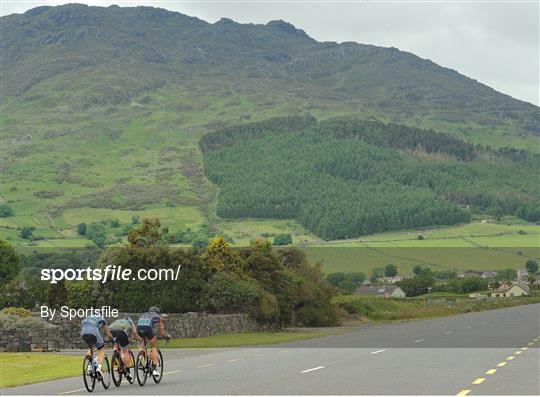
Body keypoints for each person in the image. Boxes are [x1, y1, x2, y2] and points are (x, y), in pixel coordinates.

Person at [137, 306, 168, 376]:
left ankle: (140, 361)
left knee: (143, 343)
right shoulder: (158, 316)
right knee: (154, 345)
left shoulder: (144, 314)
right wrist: (165, 336)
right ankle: (154, 369)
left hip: (139, 327)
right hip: (147, 327)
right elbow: (161, 330)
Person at [109, 316, 141, 381]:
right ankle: (128, 372)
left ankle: (116, 361)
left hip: (110, 330)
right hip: (121, 331)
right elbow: (134, 333)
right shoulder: (130, 322)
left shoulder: (118, 320)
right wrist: (138, 339)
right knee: (126, 351)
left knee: (116, 346)